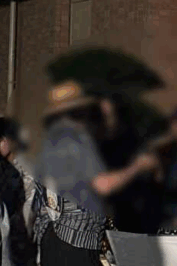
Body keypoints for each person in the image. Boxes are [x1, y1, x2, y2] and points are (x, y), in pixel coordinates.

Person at [36, 80, 158, 222]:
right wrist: (138, 166)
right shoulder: (78, 137)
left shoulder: (49, 143)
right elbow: (103, 185)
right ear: (81, 109)